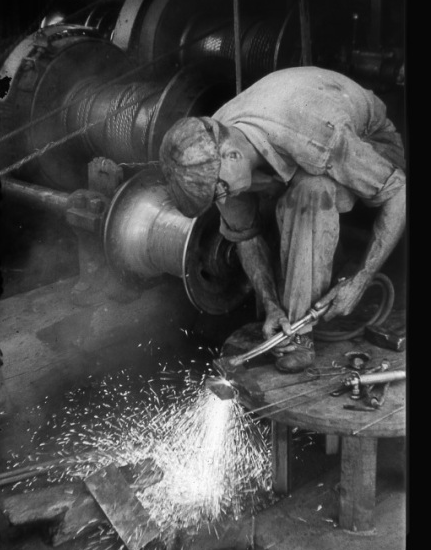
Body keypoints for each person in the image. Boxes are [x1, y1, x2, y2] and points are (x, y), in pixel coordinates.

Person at [159, 66, 406, 373]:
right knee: (277, 201)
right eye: (215, 197)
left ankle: (298, 339)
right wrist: (271, 303)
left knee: (311, 191)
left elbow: (399, 192)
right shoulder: (216, 145)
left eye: (220, 189)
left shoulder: (316, 136)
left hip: (368, 139)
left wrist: (361, 279)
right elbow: (245, 236)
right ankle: (282, 315)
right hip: (292, 147)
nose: (221, 199)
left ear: (233, 156)